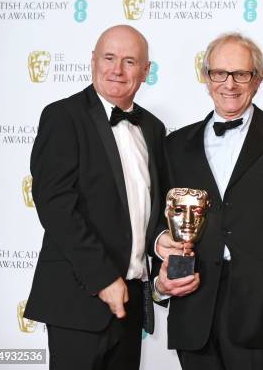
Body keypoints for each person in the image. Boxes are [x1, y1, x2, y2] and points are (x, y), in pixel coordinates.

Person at [151, 32, 263, 370]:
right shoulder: (175, 145)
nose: (230, 83)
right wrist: (162, 252)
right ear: (206, 77)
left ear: (257, 80)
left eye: (241, 74)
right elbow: (159, 220)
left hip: (259, 311)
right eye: (219, 73)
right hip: (192, 304)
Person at [24, 25, 167, 370]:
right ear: (92, 61)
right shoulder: (63, 116)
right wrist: (104, 278)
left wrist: (164, 254)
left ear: (146, 71)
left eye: (130, 61)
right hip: (78, 297)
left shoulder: (153, 128)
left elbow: (154, 210)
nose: (117, 70)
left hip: (132, 299)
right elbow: (56, 205)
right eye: (109, 58)